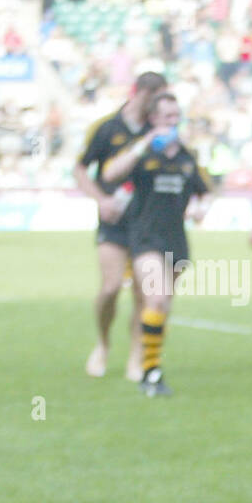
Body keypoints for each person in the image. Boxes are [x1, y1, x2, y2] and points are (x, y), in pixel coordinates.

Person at [100, 92, 212, 396]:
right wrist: (145, 142)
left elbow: (206, 189)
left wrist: (202, 207)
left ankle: (149, 364)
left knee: (161, 307)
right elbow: (109, 173)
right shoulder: (141, 152)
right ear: (152, 120)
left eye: (176, 117)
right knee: (157, 299)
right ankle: (151, 373)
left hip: (176, 239)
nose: (172, 123)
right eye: (166, 117)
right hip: (145, 237)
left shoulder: (187, 157)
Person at [74, 71, 166, 381]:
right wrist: (100, 199)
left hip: (147, 223)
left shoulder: (159, 131)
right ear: (138, 93)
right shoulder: (106, 128)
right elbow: (80, 168)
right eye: (152, 97)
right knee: (111, 286)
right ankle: (103, 342)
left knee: (144, 295)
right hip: (114, 221)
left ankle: (136, 354)